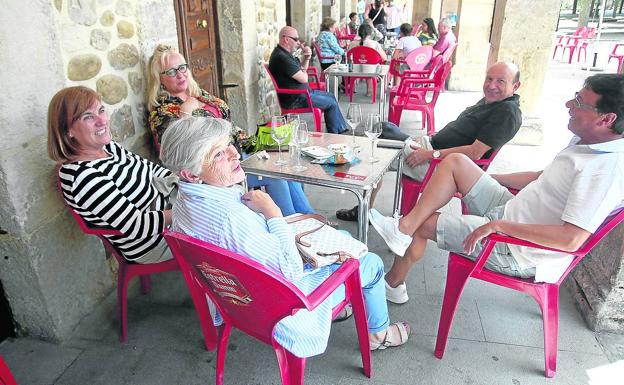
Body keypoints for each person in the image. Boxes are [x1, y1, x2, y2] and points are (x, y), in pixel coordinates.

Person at [159, 116, 411, 356]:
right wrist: (273, 212)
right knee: (372, 263)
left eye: (228, 145)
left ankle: (342, 307)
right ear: (190, 174)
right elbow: (289, 270)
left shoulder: (183, 201)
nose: (235, 154)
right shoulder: (231, 219)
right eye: (218, 154)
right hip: (287, 308)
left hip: (236, 298)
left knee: (342, 234)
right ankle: (379, 335)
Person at [370, 73, 624, 305]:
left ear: (607, 118)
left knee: (423, 222)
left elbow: (571, 239)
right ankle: (402, 228)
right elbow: (540, 177)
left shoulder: (605, 170)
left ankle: (393, 283)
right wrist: (484, 178)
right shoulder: (587, 142)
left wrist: (499, 226)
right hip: (513, 209)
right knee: (457, 163)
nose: (569, 105)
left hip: (519, 248)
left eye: (579, 102)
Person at [336, 62, 522, 222]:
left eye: (500, 81)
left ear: (516, 86)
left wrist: (429, 154)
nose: (491, 85)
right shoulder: (493, 102)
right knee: (384, 127)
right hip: (432, 148)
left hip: (439, 166)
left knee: (375, 147)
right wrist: (430, 139)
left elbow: (475, 153)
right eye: (489, 79)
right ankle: (365, 204)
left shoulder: (506, 113)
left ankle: (363, 207)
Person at [148, 44, 314, 216]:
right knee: (276, 174)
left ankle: (307, 217)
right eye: (171, 71)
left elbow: (229, 124)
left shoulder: (200, 94)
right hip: (217, 169)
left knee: (283, 163)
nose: (180, 74)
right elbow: (179, 153)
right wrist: (186, 112)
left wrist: (258, 143)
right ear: (159, 79)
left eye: (182, 68)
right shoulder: (162, 112)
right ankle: (290, 223)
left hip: (239, 150)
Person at [48, 86, 173, 264]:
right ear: (68, 131)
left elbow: (152, 170)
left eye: (101, 110)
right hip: (154, 243)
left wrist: (183, 183)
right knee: (220, 232)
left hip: (169, 212)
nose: (102, 121)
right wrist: (187, 211)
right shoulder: (83, 177)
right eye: (88, 117)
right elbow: (136, 226)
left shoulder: (107, 147)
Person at [269, 26, 348, 134]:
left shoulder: (285, 54)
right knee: (331, 103)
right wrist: (303, 72)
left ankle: (340, 130)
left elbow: (302, 70)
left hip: (303, 93)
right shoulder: (282, 57)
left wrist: (307, 58)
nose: (298, 43)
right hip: (296, 98)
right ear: (286, 39)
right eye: (296, 39)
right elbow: (304, 78)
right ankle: (335, 134)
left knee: (331, 96)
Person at [348, 23, 388, 97]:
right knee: (371, 65)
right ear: (370, 33)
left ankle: (352, 88)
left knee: (366, 65)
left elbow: (348, 57)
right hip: (371, 70)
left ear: (359, 32)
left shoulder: (352, 43)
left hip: (355, 69)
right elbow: (384, 58)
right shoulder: (374, 44)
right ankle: (369, 91)